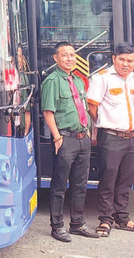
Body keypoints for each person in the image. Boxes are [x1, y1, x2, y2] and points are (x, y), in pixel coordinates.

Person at [87, 43, 134, 237]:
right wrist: (102, 125)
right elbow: (92, 107)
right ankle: (105, 220)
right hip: (111, 137)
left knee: (125, 180)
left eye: (130, 60)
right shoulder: (102, 78)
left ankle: (122, 218)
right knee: (108, 179)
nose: (125, 64)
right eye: (121, 59)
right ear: (114, 59)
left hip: (131, 137)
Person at [41, 41, 99, 242]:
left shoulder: (79, 80)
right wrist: (57, 137)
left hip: (82, 138)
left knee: (80, 184)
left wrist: (89, 131)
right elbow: (48, 112)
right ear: (55, 58)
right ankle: (57, 226)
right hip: (65, 139)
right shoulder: (52, 81)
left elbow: (83, 107)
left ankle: (77, 224)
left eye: (72, 55)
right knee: (59, 185)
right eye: (65, 55)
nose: (69, 59)